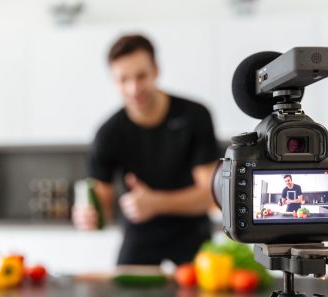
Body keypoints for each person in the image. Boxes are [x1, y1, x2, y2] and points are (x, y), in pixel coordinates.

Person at [72, 34, 220, 265]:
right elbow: (101, 205)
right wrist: (88, 216)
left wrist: (155, 203)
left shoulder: (195, 116)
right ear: (113, 80)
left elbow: (210, 195)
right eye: (123, 79)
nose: (133, 88)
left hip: (194, 238)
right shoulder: (108, 133)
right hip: (138, 239)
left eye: (141, 76)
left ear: (156, 71)